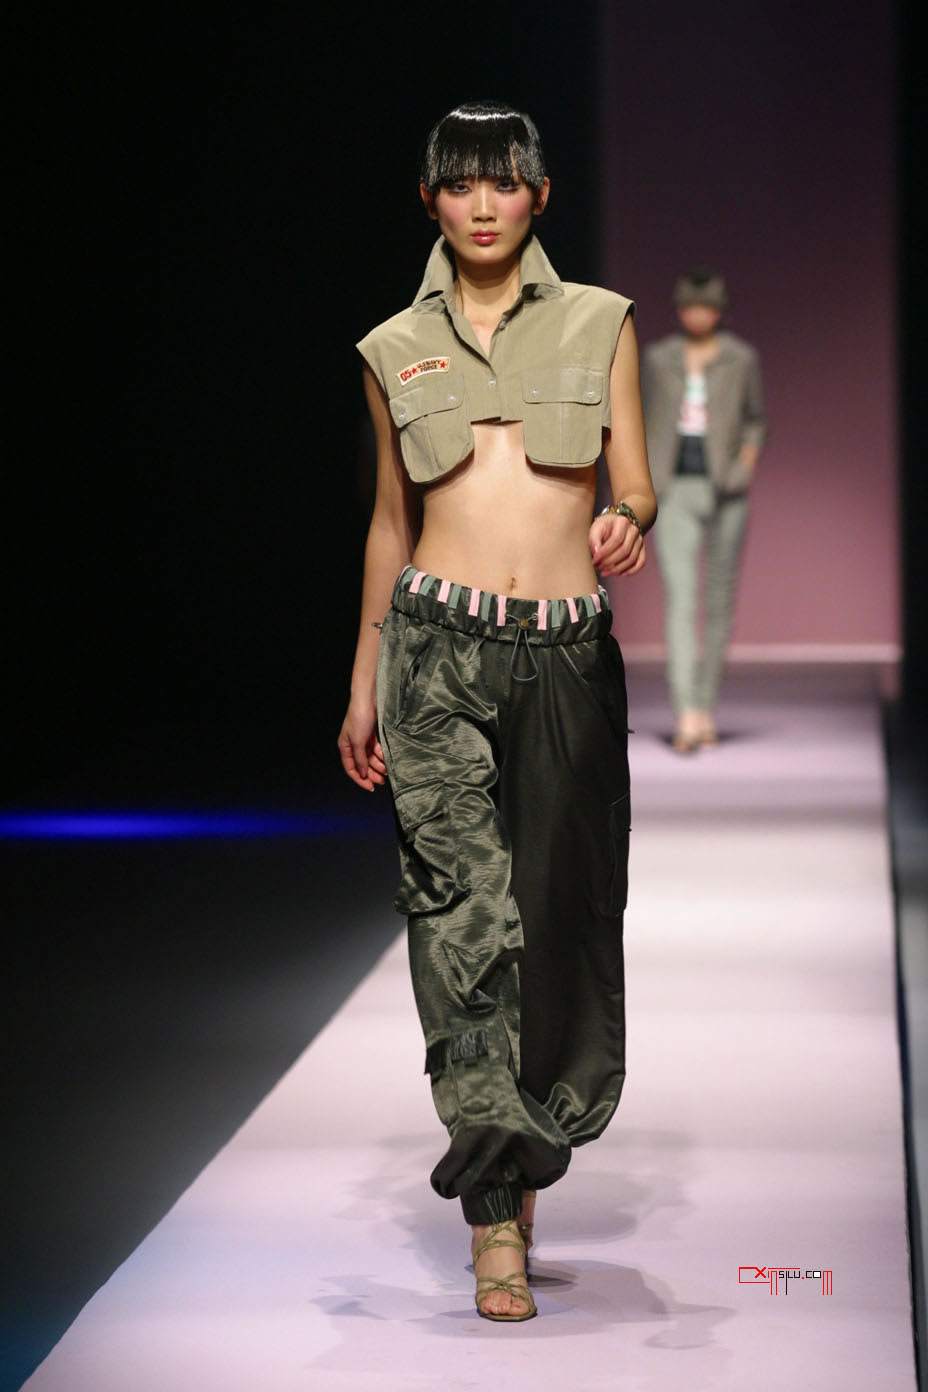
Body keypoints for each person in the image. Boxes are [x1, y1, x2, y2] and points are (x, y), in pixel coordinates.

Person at [337, 101, 656, 1322]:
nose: (482, 205)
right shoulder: (389, 346)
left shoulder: (603, 321)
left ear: (539, 195)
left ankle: (530, 1145)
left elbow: (631, 480)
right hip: (435, 655)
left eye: (504, 182)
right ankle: (492, 1213)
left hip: (565, 655)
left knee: (560, 922)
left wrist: (628, 517)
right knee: (460, 921)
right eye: (460, 184)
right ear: (429, 199)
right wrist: (363, 680)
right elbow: (390, 522)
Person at [642, 269, 767, 752]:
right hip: (675, 488)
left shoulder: (740, 358)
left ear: (719, 311)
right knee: (681, 598)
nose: (698, 314)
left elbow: (756, 419)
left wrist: (744, 465)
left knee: (719, 601)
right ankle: (686, 714)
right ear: (679, 310)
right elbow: (640, 415)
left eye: (707, 306)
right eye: (691, 306)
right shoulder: (659, 359)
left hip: (727, 490)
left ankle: (705, 707)